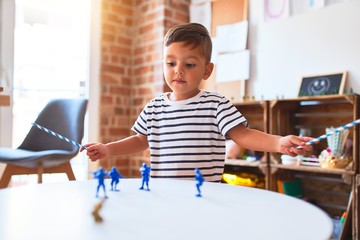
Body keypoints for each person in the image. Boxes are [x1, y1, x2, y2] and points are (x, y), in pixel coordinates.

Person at [82, 23, 313, 182]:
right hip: (164, 194)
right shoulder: (154, 107)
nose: (178, 71)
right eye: (171, 63)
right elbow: (141, 140)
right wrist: (107, 149)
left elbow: (243, 135)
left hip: (205, 194)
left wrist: (279, 142)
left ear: (207, 70)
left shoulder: (216, 105)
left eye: (189, 65)